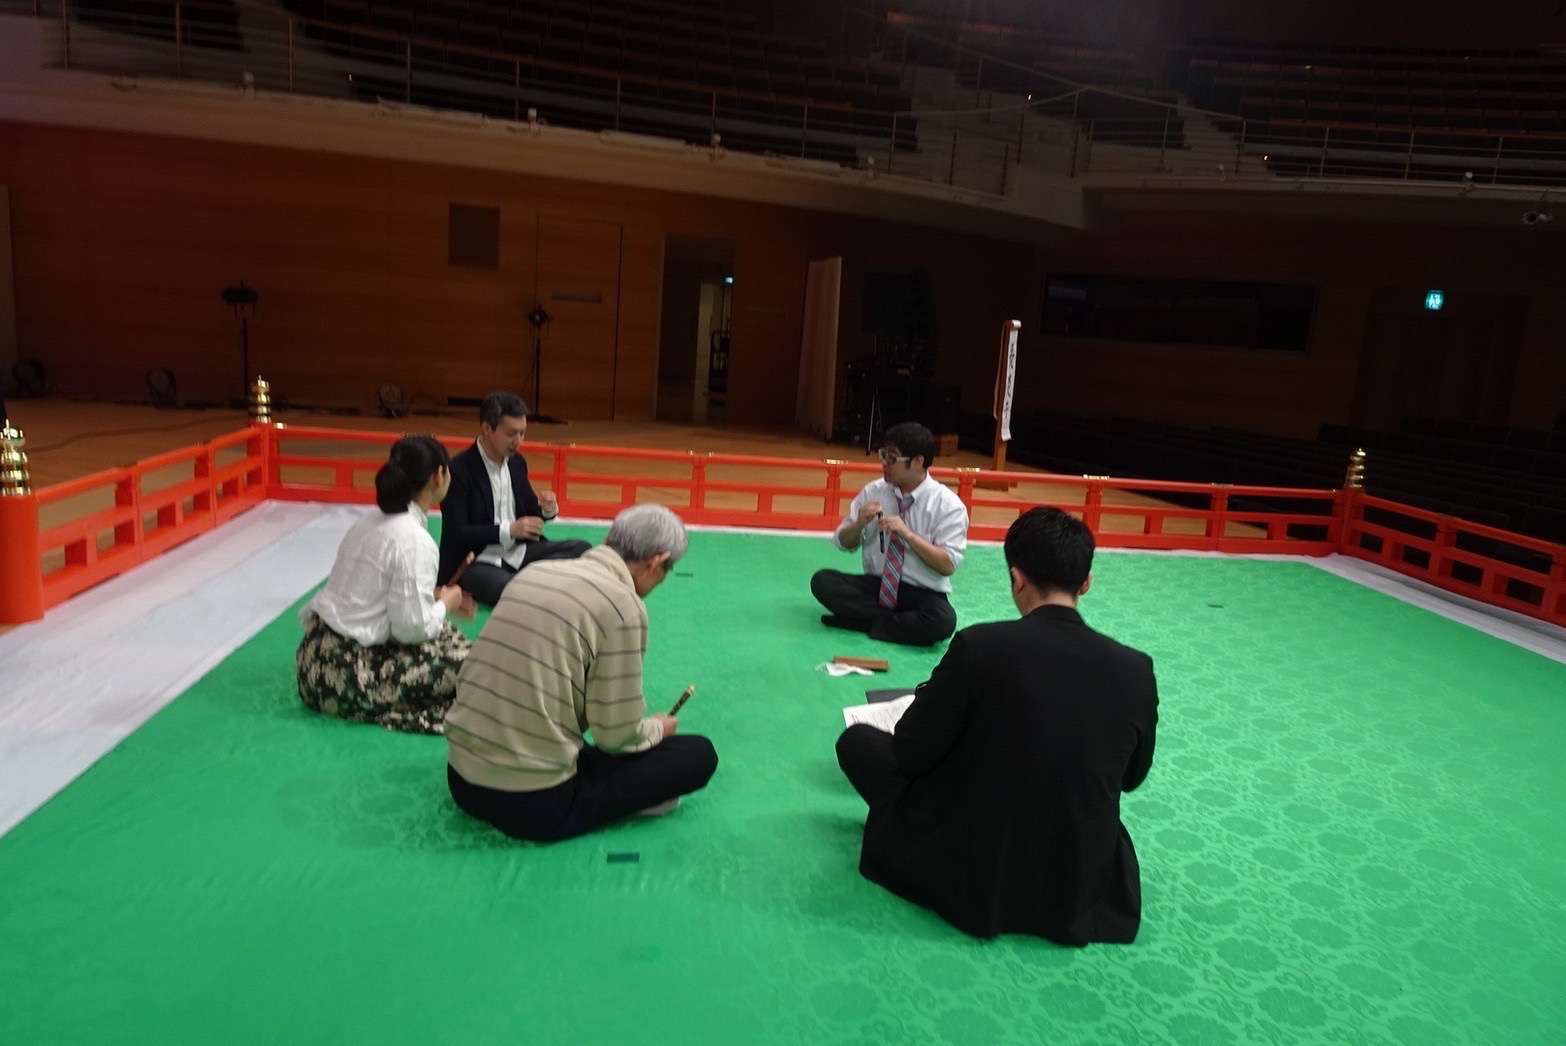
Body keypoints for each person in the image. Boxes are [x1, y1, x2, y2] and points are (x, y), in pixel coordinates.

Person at [835, 506, 1159, 945]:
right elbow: (1131, 778)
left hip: (974, 852)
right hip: (1074, 867)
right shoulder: (1136, 668)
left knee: (858, 741)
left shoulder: (981, 645)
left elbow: (911, 751)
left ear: (1016, 578)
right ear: (1086, 583)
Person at [444, 503, 719, 842]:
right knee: (698, 755)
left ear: (608, 539)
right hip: (530, 803)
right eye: (667, 570)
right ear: (656, 561)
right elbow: (616, 738)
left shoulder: (536, 572)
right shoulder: (623, 606)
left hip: (460, 780)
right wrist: (657, 729)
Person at [297, 435, 474, 734]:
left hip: (312, 661)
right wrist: (446, 602)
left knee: (446, 634)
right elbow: (412, 630)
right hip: (349, 677)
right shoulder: (414, 540)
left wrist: (433, 597)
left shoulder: (368, 521)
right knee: (477, 670)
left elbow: (371, 591)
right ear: (439, 475)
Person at [811, 421, 969, 646]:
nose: (884, 463)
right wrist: (859, 524)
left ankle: (864, 622)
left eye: (892, 459)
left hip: (921, 592)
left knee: (944, 620)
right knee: (823, 581)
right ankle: (896, 625)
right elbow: (844, 543)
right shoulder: (873, 491)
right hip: (877, 584)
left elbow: (947, 565)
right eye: (883, 455)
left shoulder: (948, 505)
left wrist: (907, 534)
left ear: (918, 461)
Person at [436, 390, 591, 606]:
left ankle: (532, 584)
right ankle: (540, 584)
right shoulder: (459, 470)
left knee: (582, 549)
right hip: (476, 560)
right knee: (510, 588)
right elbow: (457, 532)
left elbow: (530, 510)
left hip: (518, 551)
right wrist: (509, 530)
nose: (518, 441)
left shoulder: (517, 463)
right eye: (511, 434)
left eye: (522, 433)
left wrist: (546, 510)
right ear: (486, 428)